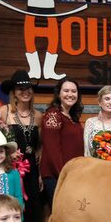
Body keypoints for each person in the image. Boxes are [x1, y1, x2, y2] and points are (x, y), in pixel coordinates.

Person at [0, 69, 44, 222]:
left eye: (28, 89)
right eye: (20, 89)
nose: (25, 92)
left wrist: (39, 172)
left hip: (31, 168)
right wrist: (9, 152)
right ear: (14, 93)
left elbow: (40, 146)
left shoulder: (38, 116)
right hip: (11, 168)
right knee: (12, 207)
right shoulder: (4, 112)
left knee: (33, 210)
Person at [40, 77, 84, 206]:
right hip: (57, 177)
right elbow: (52, 150)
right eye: (66, 91)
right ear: (58, 94)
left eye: (73, 91)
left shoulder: (72, 117)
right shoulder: (53, 115)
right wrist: (64, 177)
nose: (70, 94)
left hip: (72, 176)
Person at [84, 85, 111, 158]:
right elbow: (87, 151)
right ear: (100, 102)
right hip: (97, 166)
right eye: (107, 99)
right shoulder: (90, 122)